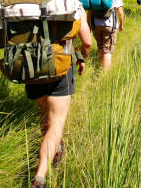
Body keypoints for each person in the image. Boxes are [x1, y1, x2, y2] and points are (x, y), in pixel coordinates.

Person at [28, 13, 92, 188]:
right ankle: (39, 177)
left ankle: (54, 149)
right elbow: (87, 42)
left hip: (31, 65)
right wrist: (81, 58)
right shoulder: (73, 7)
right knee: (56, 123)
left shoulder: (28, 4)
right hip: (60, 67)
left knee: (44, 112)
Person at [86, 0, 124, 72]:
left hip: (96, 25)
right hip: (110, 25)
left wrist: (89, 26)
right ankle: (105, 75)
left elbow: (89, 11)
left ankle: (100, 67)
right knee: (107, 50)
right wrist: (121, 24)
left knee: (100, 46)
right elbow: (120, 12)